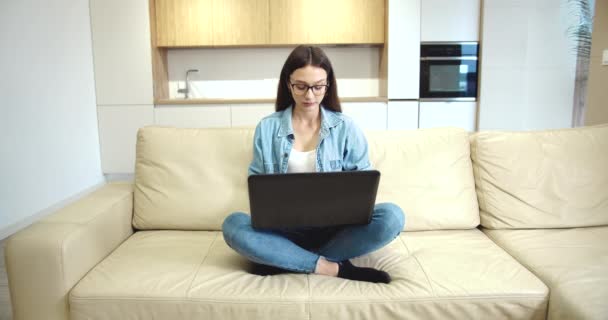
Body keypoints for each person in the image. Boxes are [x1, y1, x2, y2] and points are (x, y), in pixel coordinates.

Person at [222, 45, 405, 284]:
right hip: (282, 232)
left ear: (328, 85)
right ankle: (331, 267)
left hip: (336, 231)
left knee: (393, 216)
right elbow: (256, 184)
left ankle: (285, 260)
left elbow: (363, 184)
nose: (309, 96)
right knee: (233, 225)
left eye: (318, 87)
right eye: (301, 86)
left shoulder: (346, 128)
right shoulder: (267, 128)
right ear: (288, 84)